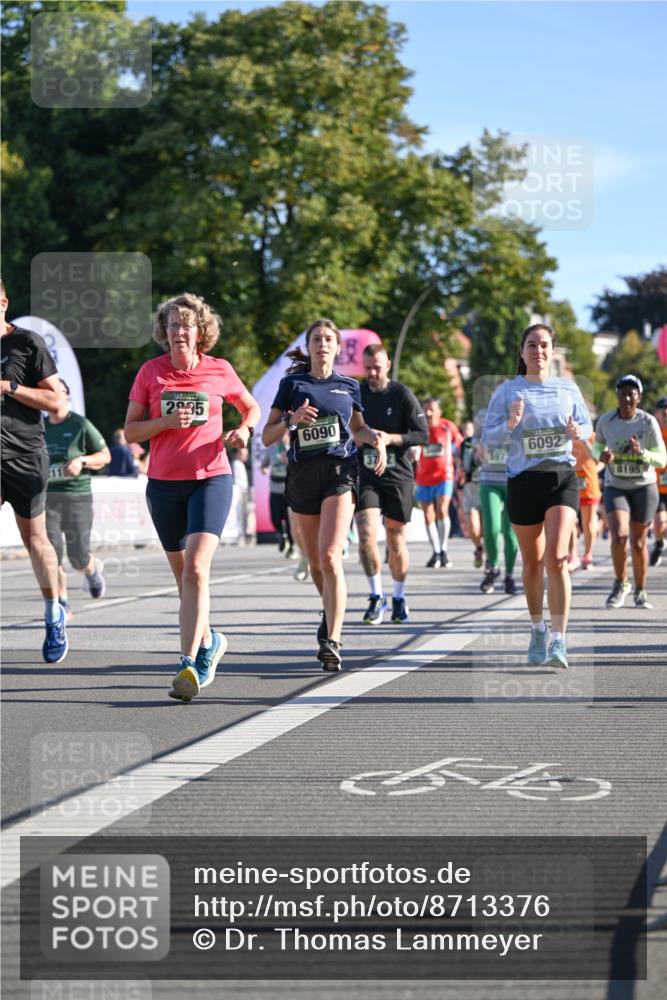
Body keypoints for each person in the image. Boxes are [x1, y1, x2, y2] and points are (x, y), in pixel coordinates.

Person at [124, 292, 260, 701]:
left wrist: (244, 430)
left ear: (201, 332)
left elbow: (250, 407)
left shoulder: (219, 370)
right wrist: (164, 421)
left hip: (210, 478)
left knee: (197, 569)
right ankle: (209, 641)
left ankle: (187, 663)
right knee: (184, 579)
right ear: (163, 332)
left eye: (187, 324)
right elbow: (131, 431)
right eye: (172, 324)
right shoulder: (151, 372)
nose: (180, 331)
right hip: (164, 484)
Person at [262, 317, 386, 671]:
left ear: (336, 346)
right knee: (316, 563)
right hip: (302, 476)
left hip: (340, 473)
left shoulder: (349, 386)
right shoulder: (291, 383)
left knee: (331, 556)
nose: (322, 344)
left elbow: (358, 429)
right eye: (316, 338)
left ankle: (332, 638)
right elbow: (268, 436)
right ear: (311, 346)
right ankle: (329, 608)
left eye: (328, 339)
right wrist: (292, 420)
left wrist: (375, 440)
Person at [483, 323, 593, 669]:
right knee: (532, 563)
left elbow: (587, 426)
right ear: (522, 352)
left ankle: (559, 641)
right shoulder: (507, 392)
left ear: (553, 352)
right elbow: (489, 439)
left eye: (545, 345)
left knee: (557, 558)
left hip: (561, 477)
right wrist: (511, 424)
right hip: (523, 481)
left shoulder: (567, 388)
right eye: (532, 345)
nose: (539, 351)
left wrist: (578, 432)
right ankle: (537, 629)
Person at [0, 278, 68, 663]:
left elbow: (56, 401)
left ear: (4, 303)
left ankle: (53, 610)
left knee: (36, 542)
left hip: (25, 454)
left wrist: (9, 387)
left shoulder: (27, 343)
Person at [354, 343, 427, 624]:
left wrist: (390, 438)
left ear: (387, 366)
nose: (372, 372)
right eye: (368, 367)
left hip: (397, 476)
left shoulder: (401, 394)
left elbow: (422, 434)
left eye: (377, 367)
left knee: (396, 541)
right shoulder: (356, 393)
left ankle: (399, 597)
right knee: (366, 535)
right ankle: (376, 596)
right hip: (366, 475)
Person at [595, 375, 667, 609]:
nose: (627, 397)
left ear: (639, 397)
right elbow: (597, 446)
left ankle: (640, 589)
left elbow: (662, 459)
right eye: (623, 392)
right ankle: (620, 582)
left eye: (632, 393)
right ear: (617, 395)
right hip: (616, 485)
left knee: (637, 543)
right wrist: (602, 455)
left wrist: (643, 453)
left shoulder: (648, 423)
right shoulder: (606, 421)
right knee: (619, 535)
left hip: (644, 488)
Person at [44, 379, 111, 620]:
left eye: (57, 392)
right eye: (47, 393)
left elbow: (105, 456)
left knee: (78, 556)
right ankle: (62, 603)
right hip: (47, 497)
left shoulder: (80, 424)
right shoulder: (39, 427)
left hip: (76, 495)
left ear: (67, 396)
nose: (52, 397)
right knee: (51, 552)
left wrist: (81, 461)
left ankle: (91, 570)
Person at [415, 397, 462, 567]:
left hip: (445, 476)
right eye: (425, 409)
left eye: (431, 409)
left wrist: (462, 466)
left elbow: (460, 446)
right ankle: (435, 551)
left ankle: (444, 550)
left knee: (442, 510)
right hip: (423, 478)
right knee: (428, 515)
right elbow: (411, 447)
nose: (427, 413)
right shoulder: (418, 428)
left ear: (439, 411)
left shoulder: (448, 427)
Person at [476, 407, 519, 594]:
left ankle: (509, 575)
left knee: (510, 532)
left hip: (513, 481)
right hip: (489, 480)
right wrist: (477, 447)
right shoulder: (484, 418)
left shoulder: (522, 418)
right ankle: (492, 568)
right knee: (491, 528)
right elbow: (473, 441)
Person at [571, 435, 602, 569]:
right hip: (569, 483)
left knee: (588, 523)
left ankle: (588, 555)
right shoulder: (565, 433)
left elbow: (602, 458)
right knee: (569, 522)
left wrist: (595, 469)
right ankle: (572, 555)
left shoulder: (592, 436)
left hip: (589, 485)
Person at [458, 421, 484, 569]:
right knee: (472, 527)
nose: (466, 432)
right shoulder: (464, 444)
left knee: (487, 528)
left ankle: (490, 560)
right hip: (469, 487)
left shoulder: (489, 440)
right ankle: (479, 548)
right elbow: (461, 464)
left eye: (468, 429)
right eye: (464, 429)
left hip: (487, 486)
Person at [649, 395, 667, 567]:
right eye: (663, 410)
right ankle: (660, 543)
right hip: (658, 488)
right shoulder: (652, 432)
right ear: (656, 413)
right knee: (660, 524)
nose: (666, 413)